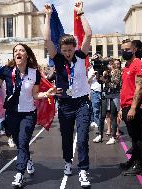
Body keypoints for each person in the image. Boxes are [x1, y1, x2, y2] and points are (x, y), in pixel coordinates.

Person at [0, 43, 59, 187]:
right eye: (16, 50)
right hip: (11, 114)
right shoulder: (6, 71)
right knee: (19, 143)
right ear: (14, 55)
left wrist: (46, 94)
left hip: (28, 114)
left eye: (21, 50)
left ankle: (19, 174)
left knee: (23, 142)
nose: (18, 52)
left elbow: (35, 94)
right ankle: (27, 160)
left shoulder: (34, 73)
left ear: (27, 55)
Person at [44, 1, 92, 187]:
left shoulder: (80, 56)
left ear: (75, 48)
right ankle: (67, 162)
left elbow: (88, 34)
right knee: (66, 137)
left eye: (70, 50)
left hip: (81, 103)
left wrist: (81, 14)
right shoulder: (57, 59)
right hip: (64, 104)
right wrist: (48, 16)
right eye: (64, 51)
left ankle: (83, 170)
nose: (67, 54)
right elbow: (47, 40)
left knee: (82, 138)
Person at [118, 39, 142, 176]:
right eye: (123, 49)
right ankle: (133, 160)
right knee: (133, 137)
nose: (125, 52)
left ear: (134, 49)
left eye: (128, 49)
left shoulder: (138, 63)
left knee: (138, 136)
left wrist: (133, 108)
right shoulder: (126, 66)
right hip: (125, 106)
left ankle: (139, 165)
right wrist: (120, 108)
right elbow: (124, 88)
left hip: (133, 107)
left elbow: (140, 87)